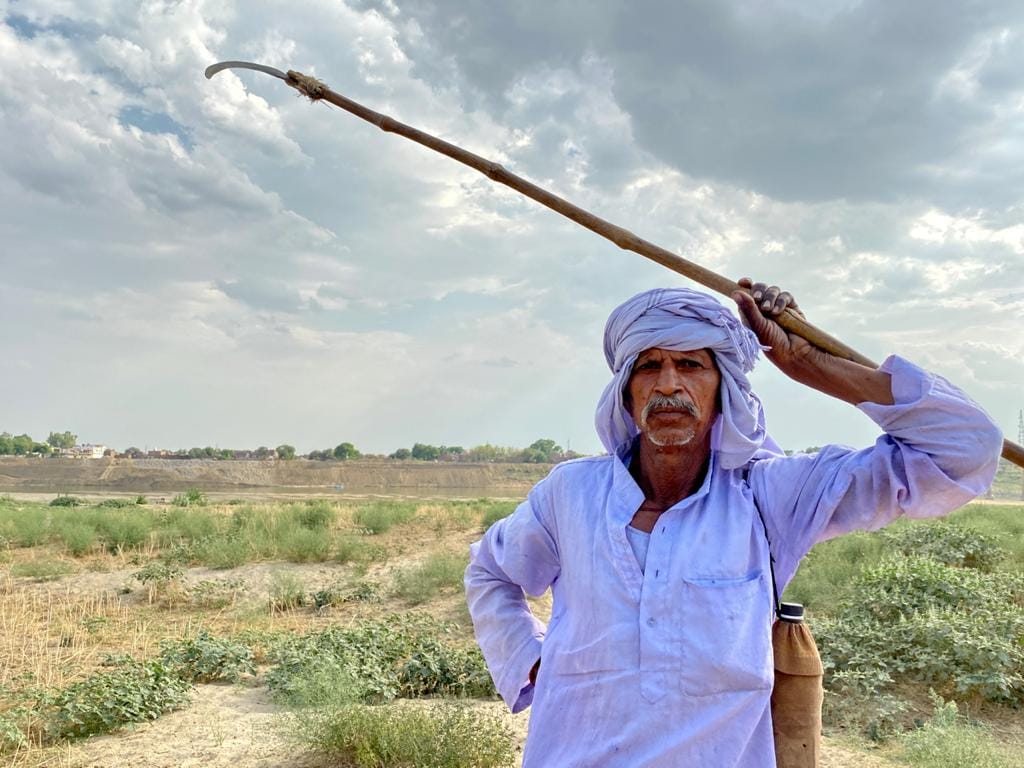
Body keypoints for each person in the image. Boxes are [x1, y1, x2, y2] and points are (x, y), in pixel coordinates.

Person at [464, 279, 1003, 768]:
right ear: (627, 393)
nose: (668, 384)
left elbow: (965, 449)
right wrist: (531, 663)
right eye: (648, 367)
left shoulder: (770, 497)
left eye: (691, 365)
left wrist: (805, 360)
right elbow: (490, 572)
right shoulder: (571, 494)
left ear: (723, 391)